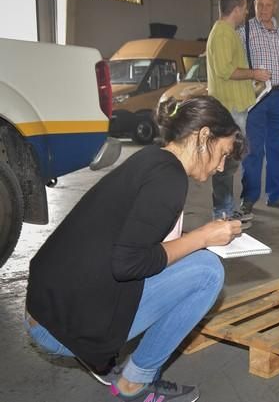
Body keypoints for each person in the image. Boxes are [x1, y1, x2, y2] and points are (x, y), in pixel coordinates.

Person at [25, 96, 245, 402]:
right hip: (62, 327)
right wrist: (203, 238)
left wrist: (197, 239)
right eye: (222, 154)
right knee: (208, 272)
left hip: (47, 306)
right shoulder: (169, 180)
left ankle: (103, 358)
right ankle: (133, 384)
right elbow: (128, 264)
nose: (222, 166)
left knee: (191, 257)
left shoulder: (153, 159)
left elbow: (134, 245)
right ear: (203, 135)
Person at [207, 0, 271, 225]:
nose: (247, 12)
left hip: (235, 107)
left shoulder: (228, 33)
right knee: (226, 162)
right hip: (229, 110)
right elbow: (225, 71)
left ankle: (226, 210)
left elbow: (229, 70)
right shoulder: (223, 33)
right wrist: (255, 73)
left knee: (230, 161)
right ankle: (222, 213)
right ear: (236, 9)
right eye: (245, 8)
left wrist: (252, 84)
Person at [238, 0, 279, 212]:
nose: (264, 9)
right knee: (253, 149)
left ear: (275, 7)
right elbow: (235, 68)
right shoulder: (243, 32)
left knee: (276, 148)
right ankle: (249, 197)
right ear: (254, 6)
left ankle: (276, 195)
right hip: (255, 97)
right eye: (259, 5)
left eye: (268, 5)